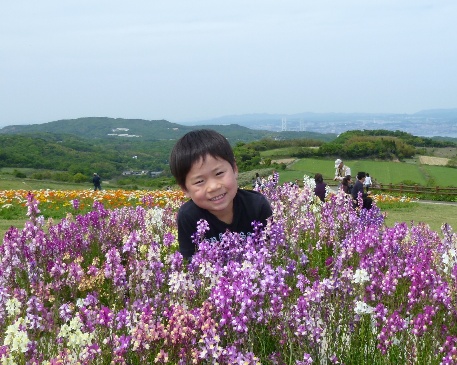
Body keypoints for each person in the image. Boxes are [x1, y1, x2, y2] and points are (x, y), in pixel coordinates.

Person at [169, 129, 273, 260]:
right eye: (200, 181)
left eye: (219, 174)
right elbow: (191, 263)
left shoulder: (257, 205)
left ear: (234, 169)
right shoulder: (188, 216)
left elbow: (271, 251)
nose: (213, 187)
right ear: (185, 189)